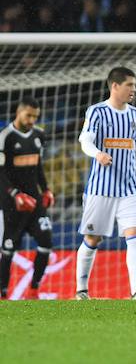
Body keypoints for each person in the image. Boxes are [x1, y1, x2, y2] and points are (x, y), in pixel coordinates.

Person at [75, 67, 136, 300]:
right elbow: (85, 141)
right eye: (129, 85)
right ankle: (81, 291)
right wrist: (97, 154)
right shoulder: (97, 111)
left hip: (130, 188)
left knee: (135, 234)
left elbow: (135, 148)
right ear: (115, 86)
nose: (134, 89)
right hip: (101, 189)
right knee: (93, 239)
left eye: (134, 85)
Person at [0, 97, 54, 300]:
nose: (32, 120)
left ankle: (33, 290)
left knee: (46, 242)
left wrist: (47, 189)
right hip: (12, 204)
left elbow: (38, 166)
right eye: (28, 115)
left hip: (35, 201)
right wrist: (15, 195)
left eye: (35, 116)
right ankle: (3, 294)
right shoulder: (6, 137)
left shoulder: (39, 134)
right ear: (18, 112)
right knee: (8, 249)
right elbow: (0, 173)